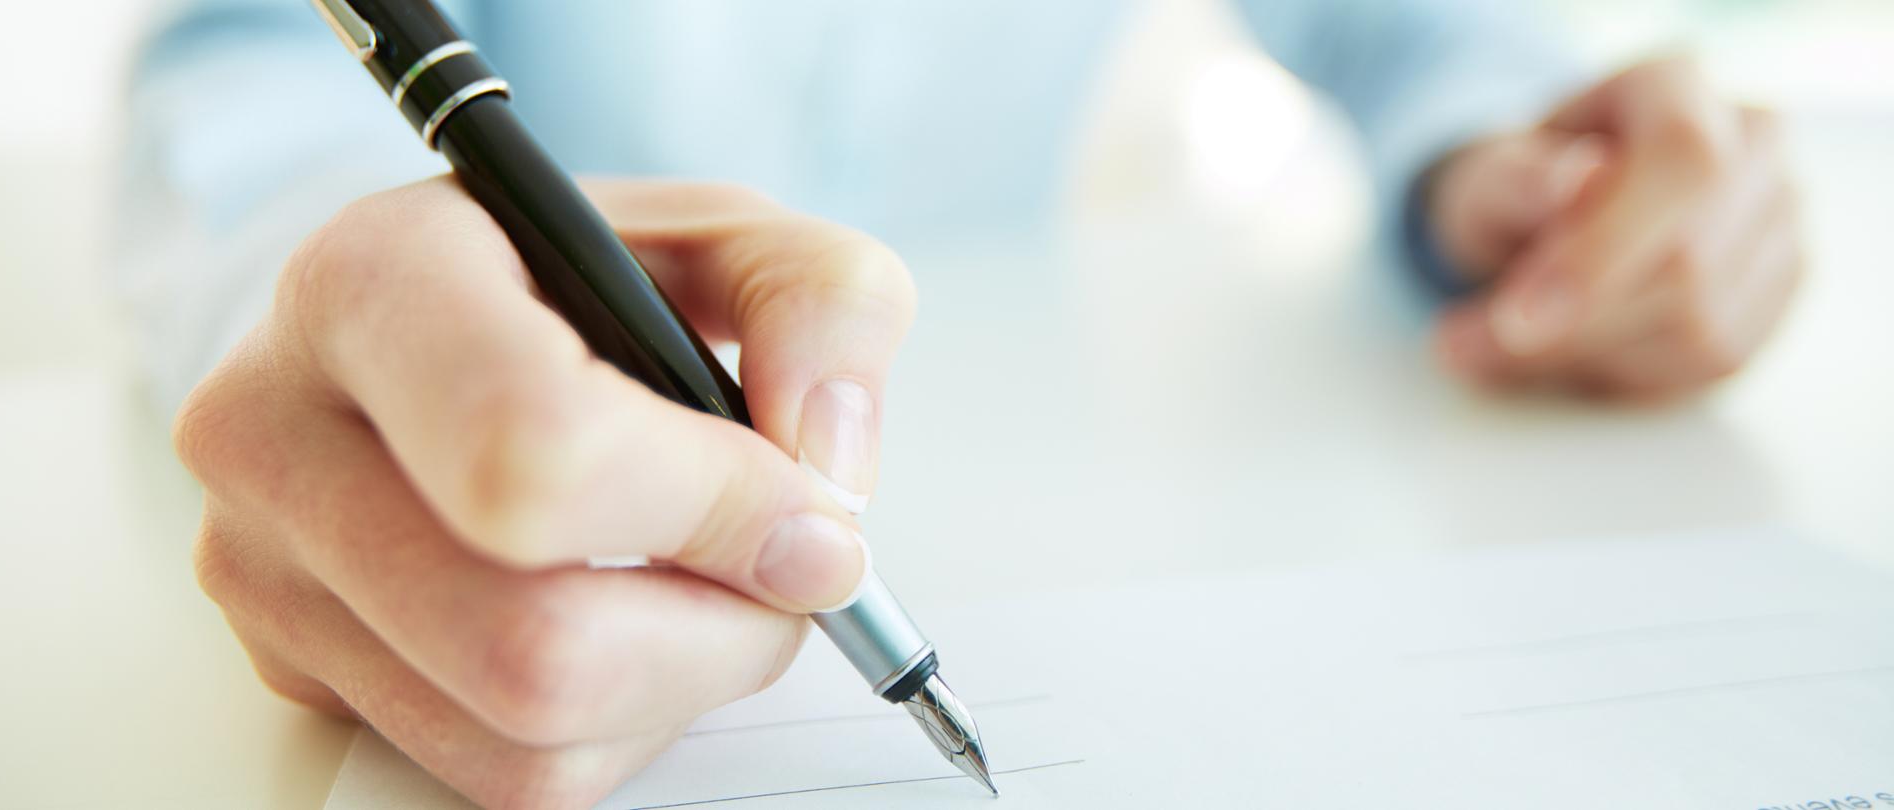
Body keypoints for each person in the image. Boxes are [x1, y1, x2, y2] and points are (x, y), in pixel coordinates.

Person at [120, 1, 1802, 807]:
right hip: (504, 436)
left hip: (1059, 460)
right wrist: (334, 304)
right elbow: (255, 66)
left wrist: (1512, 156)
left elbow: (1403, 26)